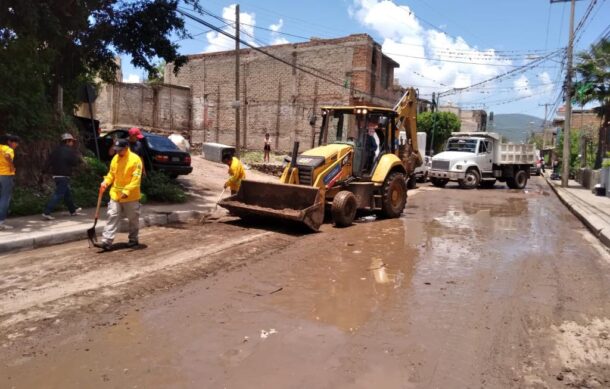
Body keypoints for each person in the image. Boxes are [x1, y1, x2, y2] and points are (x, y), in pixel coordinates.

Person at [94, 139, 143, 251]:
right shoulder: (115, 158)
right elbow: (111, 174)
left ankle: (133, 239)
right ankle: (106, 241)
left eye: (119, 150)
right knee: (112, 215)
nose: (117, 152)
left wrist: (126, 191)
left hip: (131, 196)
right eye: (116, 150)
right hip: (115, 194)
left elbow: (136, 179)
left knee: (133, 219)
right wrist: (105, 182)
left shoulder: (135, 160)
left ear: (126, 148)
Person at [42, 133, 82, 220]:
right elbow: (74, 163)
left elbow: (48, 162)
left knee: (66, 194)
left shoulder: (55, 150)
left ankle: (73, 210)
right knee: (59, 194)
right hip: (64, 175)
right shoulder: (69, 151)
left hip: (56, 175)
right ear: (67, 141)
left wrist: (44, 171)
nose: (72, 143)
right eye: (71, 141)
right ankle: (46, 212)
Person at [0, 134, 20, 230]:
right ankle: (1, 222)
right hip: (6, 174)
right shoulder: (8, 149)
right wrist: (12, 166)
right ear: (9, 141)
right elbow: (7, 156)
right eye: (15, 142)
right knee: (5, 198)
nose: (16, 145)